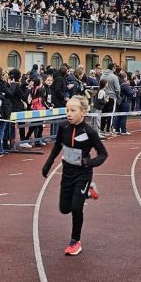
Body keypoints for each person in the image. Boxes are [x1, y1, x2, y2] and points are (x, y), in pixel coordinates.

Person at [41, 95, 107, 256]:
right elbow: (57, 146)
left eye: (73, 110)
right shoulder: (63, 127)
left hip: (83, 173)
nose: (69, 113)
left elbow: (103, 154)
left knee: (77, 208)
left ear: (83, 112)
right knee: (64, 209)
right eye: (67, 110)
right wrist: (48, 164)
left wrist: (89, 162)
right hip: (67, 173)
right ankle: (88, 191)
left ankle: (75, 241)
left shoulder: (89, 132)